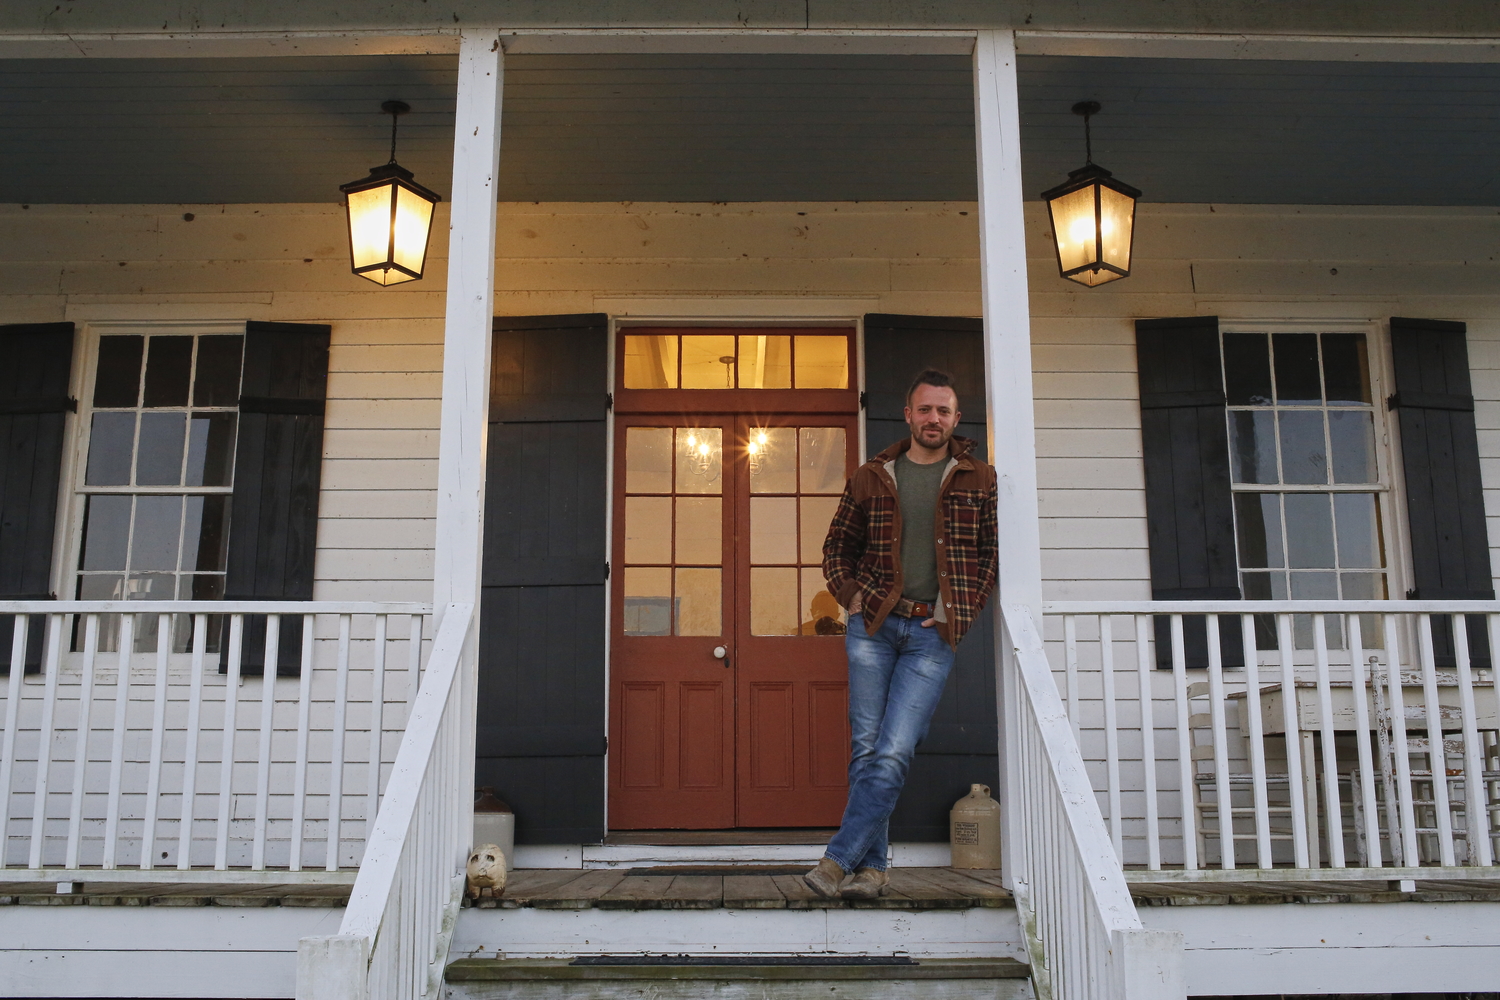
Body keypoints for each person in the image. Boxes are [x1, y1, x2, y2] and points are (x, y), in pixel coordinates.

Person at [805, 368, 999, 899]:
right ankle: (873, 870)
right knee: (867, 749)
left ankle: (837, 860)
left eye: (943, 410)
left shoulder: (979, 478)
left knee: (894, 750)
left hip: (931, 633)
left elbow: (988, 556)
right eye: (924, 409)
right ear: (908, 414)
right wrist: (850, 594)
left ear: (957, 419)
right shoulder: (873, 475)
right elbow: (835, 547)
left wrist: (957, 612)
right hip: (872, 627)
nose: (933, 418)